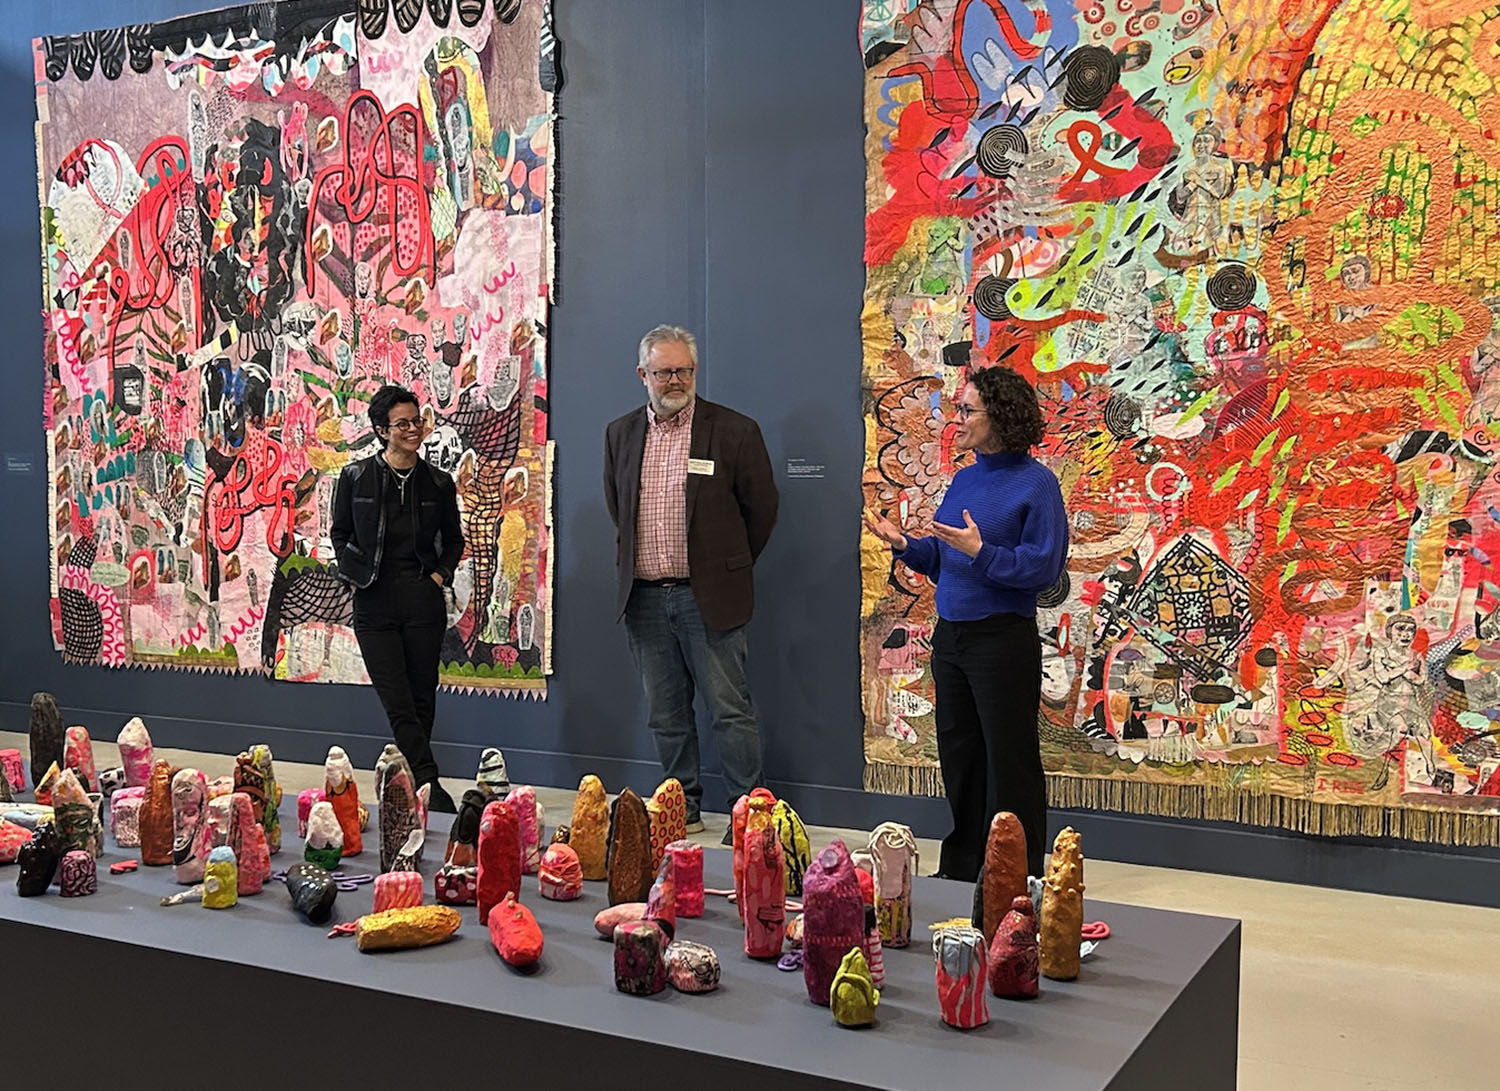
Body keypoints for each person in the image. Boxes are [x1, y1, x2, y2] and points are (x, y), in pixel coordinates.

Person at [864, 366, 1068, 880]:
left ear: (999, 417)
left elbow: (1042, 569)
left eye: (968, 410)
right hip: (952, 637)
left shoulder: (1037, 484)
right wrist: (906, 545)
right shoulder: (967, 477)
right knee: (961, 757)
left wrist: (982, 551)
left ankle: (1015, 877)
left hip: (1002, 639)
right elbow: (948, 557)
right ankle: (961, 868)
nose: (958, 419)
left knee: (1010, 763)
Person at [604, 325, 779, 842]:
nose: (675, 380)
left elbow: (761, 512)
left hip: (711, 597)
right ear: (643, 376)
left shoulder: (734, 431)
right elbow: (620, 512)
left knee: (731, 711)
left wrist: (726, 566)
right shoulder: (619, 434)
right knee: (666, 714)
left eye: (685, 370)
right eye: (664, 371)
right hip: (644, 599)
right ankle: (683, 805)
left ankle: (749, 811)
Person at [332, 384, 464, 812]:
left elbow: (454, 541)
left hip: (422, 601)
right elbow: (340, 534)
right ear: (381, 430)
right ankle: (429, 782)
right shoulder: (355, 478)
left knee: (423, 696)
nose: (413, 429)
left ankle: (409, 792)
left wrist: (439, 575)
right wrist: (355, 576)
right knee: (397, 699)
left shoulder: (438, 483)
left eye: (417, 421)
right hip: (374, 601)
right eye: (402, 423)